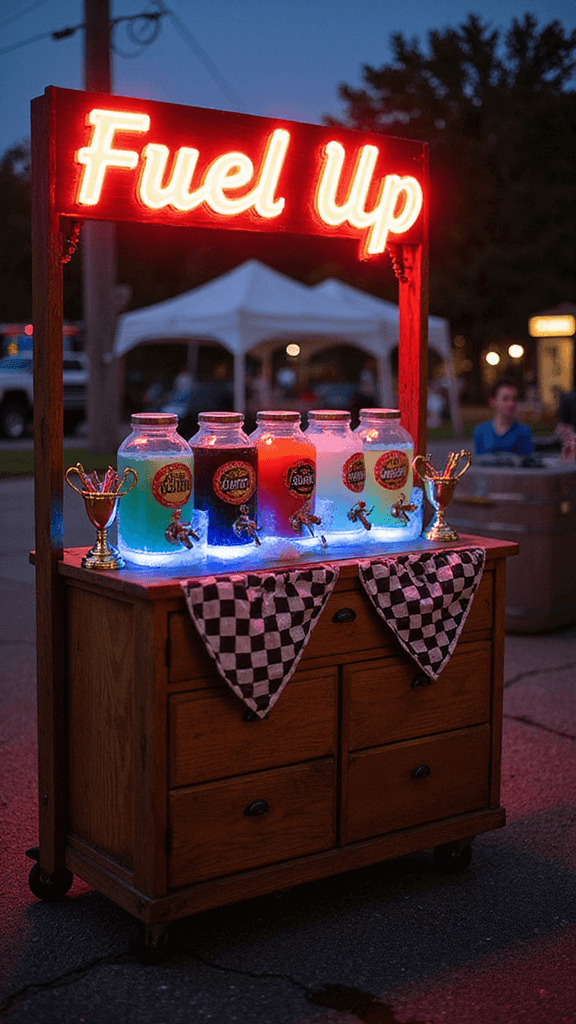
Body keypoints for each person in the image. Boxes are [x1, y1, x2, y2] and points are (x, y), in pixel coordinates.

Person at [473, 376, 533, 456]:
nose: (511, 404)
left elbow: (528, 464)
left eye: (514, 399)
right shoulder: (481, 432)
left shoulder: (524, 432)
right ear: (493, 401)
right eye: (505, 399)